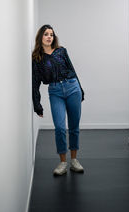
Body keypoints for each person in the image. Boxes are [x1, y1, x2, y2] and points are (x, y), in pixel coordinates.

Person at [32, 24, 85, 176]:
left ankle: (74, 160)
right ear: (40, 37)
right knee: (60, 127)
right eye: (46, 34)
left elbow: (72, 70)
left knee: (74, 126)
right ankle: (63, 162)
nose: (49, 37)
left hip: (72, 87)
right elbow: (35, 83)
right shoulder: (37, 58)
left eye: (51, 34)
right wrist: (37, 104)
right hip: (55, 92)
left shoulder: (62, 51)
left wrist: (80, 89)